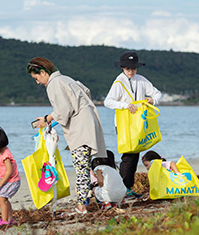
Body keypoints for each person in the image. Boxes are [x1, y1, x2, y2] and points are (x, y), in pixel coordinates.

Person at [27, 57, 107, 215]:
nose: (37, 82)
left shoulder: (53, 84)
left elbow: (64, 111)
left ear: (43, 72)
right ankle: (82, 203)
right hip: (89, 123)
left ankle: (81, 207)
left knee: (81, 168)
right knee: (83, 167)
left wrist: (47, 120)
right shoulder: (66, 79)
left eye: (36, 78)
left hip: (80, 128)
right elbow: (86, 91)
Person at [104, 51, 162, 198]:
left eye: (133, 68)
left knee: (134, 154)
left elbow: (157, 93)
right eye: (127, 68)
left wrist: (152, 100)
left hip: (139, 123)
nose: (130, 71)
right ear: (122, 67)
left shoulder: (141, 80)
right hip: (123, 124)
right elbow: (108, 102)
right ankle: (124, 188)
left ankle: (126, 188)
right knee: (129, 155)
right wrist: (125, 105)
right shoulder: (118, 82)